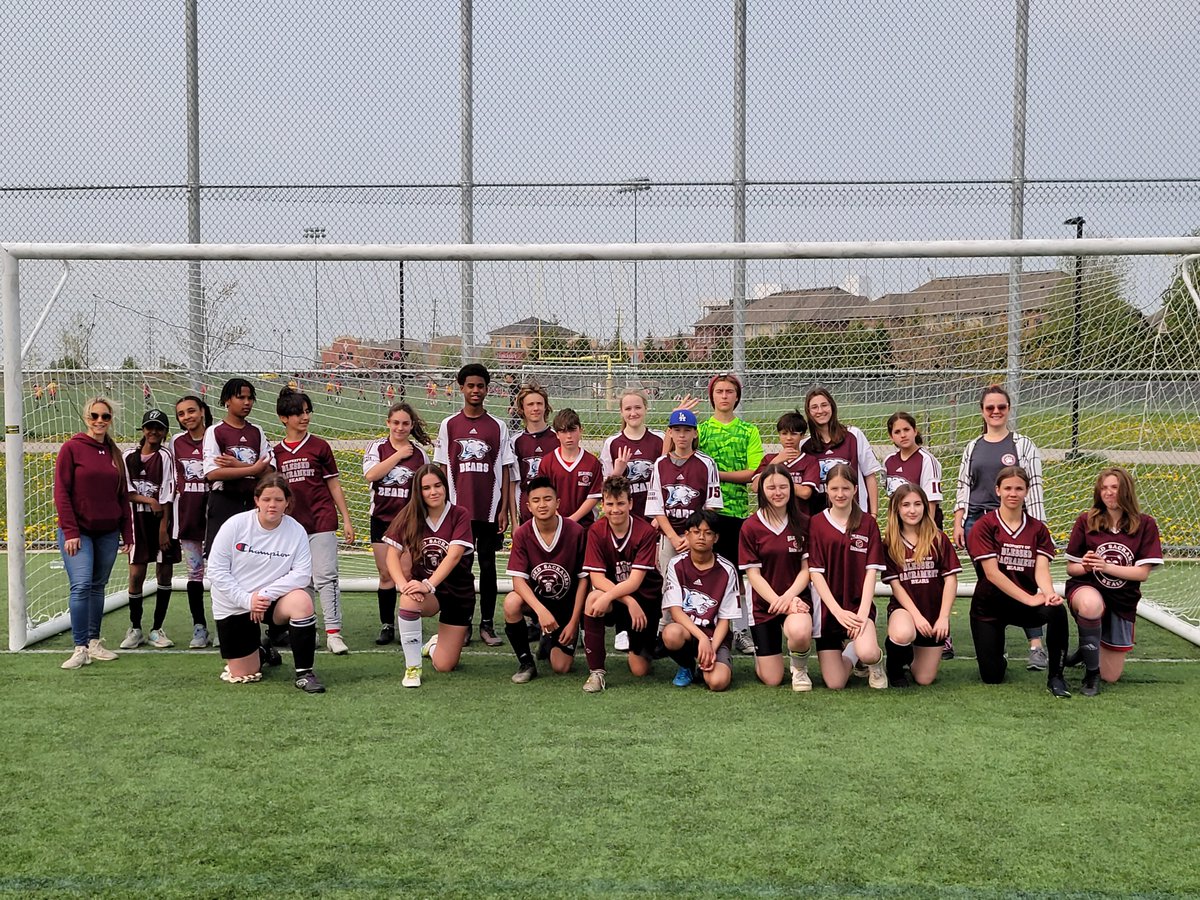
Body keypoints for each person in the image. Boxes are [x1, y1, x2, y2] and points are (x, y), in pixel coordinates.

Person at [952, 385, 1047, 668]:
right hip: (977, 523)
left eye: (1001, 407)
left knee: (1021, 577)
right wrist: (959, 520)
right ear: (982, 411)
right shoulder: (973, 446)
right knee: (990, 581)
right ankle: (995, 642)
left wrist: (1039, 527)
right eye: (990, 407)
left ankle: (1036, 646)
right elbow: (963, 485)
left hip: (1014, 522)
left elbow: (1035, 487)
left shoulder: (1023, 444)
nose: (995, 412)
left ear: (1008, 410)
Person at [208, 474, 325, 692]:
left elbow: (301, 574)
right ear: (257, 501)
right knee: (244, 673)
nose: (272, 505)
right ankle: (262, 651)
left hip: (270, 600)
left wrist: (263, 595)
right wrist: (247, 600)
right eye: (267, 499)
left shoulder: (296, 530)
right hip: (235, 602)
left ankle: (304, 673)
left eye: (279, 500)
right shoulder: (235, 525)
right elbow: (216, 571)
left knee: (302, 601)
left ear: (287, 502)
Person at [966, 466, 1070, 697]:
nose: (1013, 493)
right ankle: (995, 652)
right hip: (989, 606)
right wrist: (1030, 598)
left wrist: (1048, 592)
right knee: (992, 677)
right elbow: (992, 574)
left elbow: (1040, 568)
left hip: (1024, 605)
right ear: (998, 490)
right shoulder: (984, 525)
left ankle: (1056, 676)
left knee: (1056, 610)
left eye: (1019, 488)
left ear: (1027, 492)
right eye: (1008, 488)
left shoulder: (1038, 529)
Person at [434, 363, 515, 646]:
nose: (476, 391)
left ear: (487, 389)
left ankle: (488, 625)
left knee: (489, 565)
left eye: (480, 386)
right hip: (458, 511)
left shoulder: (497, 426)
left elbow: (504, 468)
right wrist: (444, 506)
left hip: (489, 508)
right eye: (470, 386)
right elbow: (443, 467)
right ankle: (463, 624)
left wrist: (503, 507)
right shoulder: (449, 425)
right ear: (461, 388)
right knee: (461, 569)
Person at [1064, 467, 1162, 695]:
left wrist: (1108, 567)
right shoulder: (1086, 521)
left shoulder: (1145, 524)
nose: (1108, 493)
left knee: (1112, 676)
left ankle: (1087, 649)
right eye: (1104, 488)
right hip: (1088, 589)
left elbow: (1142, 574)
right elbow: (1072, 569)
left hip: (1123, 599)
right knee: (1090, 604)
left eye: (1114, 488)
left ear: (1126, 490)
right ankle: (1091, 675)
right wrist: (1087, 566)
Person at [274, 387, 355, 655]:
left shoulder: (320, 446)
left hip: (322, 520)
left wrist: (345, 518)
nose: (305, 417)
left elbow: (333, 484)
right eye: (298, 412)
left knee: (326, 577)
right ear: (284, 417)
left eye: (307, 411)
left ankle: (334, 632)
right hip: (292, 527)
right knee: (301, 580)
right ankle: (308, 630)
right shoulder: (276, 453)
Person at [54, 397, 132, 669]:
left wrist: (128, 534)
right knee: (82, 585)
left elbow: (123, 496)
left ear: (111, 419)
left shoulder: (114, 453)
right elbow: (61, 492)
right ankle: (80, 647)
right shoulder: (72, 448)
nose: (99, 421)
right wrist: (71, 531)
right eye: (94, 416)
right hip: (78, 533)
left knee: (98, 587)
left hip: (108, 532)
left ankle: (95, 642)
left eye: (105, 417)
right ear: (87, 418)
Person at [384, 464, 477, 688]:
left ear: (445, 487)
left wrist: (428, 584)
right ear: (419, 492)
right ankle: (412, 668)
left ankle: (433, 645)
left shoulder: (459, 514)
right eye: (426, 488)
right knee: (407, 599)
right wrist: (403, 585)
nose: (433, 492)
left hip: (458, 594)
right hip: (428, 593)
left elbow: (454, 557)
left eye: (437, 486)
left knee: (445, 665)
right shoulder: (409, 515)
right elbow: (391, 556)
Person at [696, 373, 763, 656]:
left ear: (737, 396)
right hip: (706, 512)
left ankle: (741, 630)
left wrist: (714, 473)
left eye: (729, 391)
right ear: (712, 396)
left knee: (735, 575)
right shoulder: (700, 430)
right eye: (719, 391)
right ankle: (703, 626)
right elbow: (677, 456)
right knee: (703, 572)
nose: (724, 395)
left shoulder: (748, 431)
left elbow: (753, 472)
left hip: (736, 512)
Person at [806, 463, 888, 690]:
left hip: (857, 607)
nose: (840, 494)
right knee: (835, 683)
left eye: (845, 488)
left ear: (855, 489)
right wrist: (837, 612)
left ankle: (874, 663)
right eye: (834, 489)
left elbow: (871, 572)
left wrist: (861, 615)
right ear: (826, 490)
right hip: (830, 611)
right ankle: (852, 652)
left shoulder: (868, 523)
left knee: (869, 652)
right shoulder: (817, 523)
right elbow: (816, 574)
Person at [580, 475, 663, 693]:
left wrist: (627, 601)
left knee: (640, 670)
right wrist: (624, 601)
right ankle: (596, 672)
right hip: (621, 598)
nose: (615, 509)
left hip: (644, 600)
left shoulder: (645, 531)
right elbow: (597, 579)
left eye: (620, 503)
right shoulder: (596, 531)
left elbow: (635, 581)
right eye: (609, 504)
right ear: (603, 504)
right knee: (593, 599)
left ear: (631, 503)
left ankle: (643, 642)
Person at [502, 476, 588, 683]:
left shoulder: (575, 532)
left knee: (561, 667)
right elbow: (518, 581)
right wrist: (540, 611)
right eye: (536, 500)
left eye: (548, 499)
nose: (542, 504)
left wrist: (574, 622)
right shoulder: (523, 534)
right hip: (538, 605)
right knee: (511, 602)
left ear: (557, 503)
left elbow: (584, 580)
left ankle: (549, 639)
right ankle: (526, 662)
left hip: (566, 606)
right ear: (529, 506)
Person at [740, 463, 813, 690]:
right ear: (762, 490)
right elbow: (753, 574)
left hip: (797, 602)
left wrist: (789, 599)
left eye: (783, 486)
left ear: (791, 488)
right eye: (771, 488)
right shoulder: (750, 526)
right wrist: (777, 602)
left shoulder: (804, 522)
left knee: (800, 632)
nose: (778, 492)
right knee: (772, 679)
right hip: (764, 605)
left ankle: (800, 668)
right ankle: (762, 659)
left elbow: (806, 569)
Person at [363, 402, 431, 645]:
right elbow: (371, 475)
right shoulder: (377, 447)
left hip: (409, 523)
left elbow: (426, 487)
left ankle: (409, 622)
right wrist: (398, 455)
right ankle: (387, 624)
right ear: (388, 423)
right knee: (385, 575)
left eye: (405, 423)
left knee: (406, 573)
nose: (400, 428)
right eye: (396, 423)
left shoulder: (420, 454)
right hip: (381, 519)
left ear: (411, 426)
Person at [882, 483, 960, 688]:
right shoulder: (890, 542)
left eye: (917, 504)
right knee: (902, 633)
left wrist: (943, 617)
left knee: (924, 679)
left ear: (925, 507)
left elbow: (951, 580)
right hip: (905, 610)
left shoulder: (938, 539)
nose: (912, 510)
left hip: (934, 613)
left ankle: (908, 654)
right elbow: (896, 586)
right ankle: (895, 666)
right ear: (896, 509)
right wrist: (916, 617)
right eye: (906, 505)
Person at [119, 408, 181, 650]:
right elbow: (126, 491)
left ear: (165, 432)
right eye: (149, 427)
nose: (153, 431)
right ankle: (135, 628)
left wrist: (164, 528)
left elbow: (167, 493)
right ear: (143, 430)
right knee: (136, 575)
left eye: (159, 428)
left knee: (164, 574)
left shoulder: (165, 457)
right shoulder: (127, 457)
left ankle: (157, 628)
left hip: (162, 522)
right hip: (138, 522)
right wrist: (149, 500)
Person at [661, 509, 740, 691]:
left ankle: (715, 661)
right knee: (671, 634)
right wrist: (702, 638)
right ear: (687, 535)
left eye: (708, 533)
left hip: (716, 637)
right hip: (690, 633)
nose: (701, 537)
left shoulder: (727, 569)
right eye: (696, 532)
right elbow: (676, 611)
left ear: (716, 538)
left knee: (717, 683)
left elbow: (724, 620)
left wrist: (711, 646)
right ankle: (687, 665)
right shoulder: (676, 564)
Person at [645, 408, 722, 573]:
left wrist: (694, 535)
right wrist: (673, 537)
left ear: (695, 433)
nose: (682, 435)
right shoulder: (660, 464)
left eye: (687, 430)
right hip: (669, 534)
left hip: (697, 534)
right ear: (670, 433)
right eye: (677, 430)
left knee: (699, 576)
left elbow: (711, 505)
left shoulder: (707, 463)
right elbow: (657, 506)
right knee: (668, 582)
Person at [203, 378, 273, 555]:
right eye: (241, 398)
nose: (247, 402)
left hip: (253, 501)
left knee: (254, 555)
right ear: (227, 400)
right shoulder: (215, 431)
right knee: (221, 555)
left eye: (250, 398)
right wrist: (252, 470)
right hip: (224, 500)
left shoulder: (257, 431)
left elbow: (270, 472)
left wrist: (237, 465)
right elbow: (213, 473)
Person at [171, 395, 214, 648]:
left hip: (216, 515)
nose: (187, 417)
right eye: (181, 414)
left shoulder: (215, 436)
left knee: (221, 574)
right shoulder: (176, 442)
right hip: (188, 515)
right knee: (194, 573)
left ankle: (226, 625)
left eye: (191, 411)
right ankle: (200, 627)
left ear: (202, 411)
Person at [802, 387, 881, 517]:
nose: (820, 411)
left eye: (824, 405)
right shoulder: (804, 446)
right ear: (809, 412)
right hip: (820, 518)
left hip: (855, 515)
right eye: (814, 407)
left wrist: (873, 514)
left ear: (832, 406)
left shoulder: (854, 435)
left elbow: (870, 475)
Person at [600, 388, 665, 522]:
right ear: (621, 411)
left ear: (646, 408)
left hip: (654, 518)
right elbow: (605, 489)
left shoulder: (660, 439)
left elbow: (668, 479)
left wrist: (660, 518)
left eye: (638, 408)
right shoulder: (612, 443)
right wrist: (617, 472)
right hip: (624, 518)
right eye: (628, 409)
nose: (633, 413)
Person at [537, 408, 603, 529]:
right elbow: (544, 494)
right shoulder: (547, 462)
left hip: (585, 527)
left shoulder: (592, 462)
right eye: (563, 431)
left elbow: (594, 496)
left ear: (581, 430)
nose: (569, 436)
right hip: (554, 525)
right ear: (557, 434)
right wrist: (558, 519)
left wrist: (572, 519)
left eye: (572, 430)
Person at [883, 411, 943, 527]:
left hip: (924, 526)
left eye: (906, 429)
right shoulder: (888, 461)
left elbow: (931, 501)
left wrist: (926, 532)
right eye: (897, 432)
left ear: (915, 431)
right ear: (891, 436)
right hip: (900, 526)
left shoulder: (927, 460)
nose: (903, 435)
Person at [507, 381, 554, 528]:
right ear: (522, 408)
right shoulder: (515, 442)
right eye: (530, 404)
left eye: (539, 404)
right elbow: (513, 483)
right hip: (526, 510)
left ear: (545, 406)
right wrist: (514, 521)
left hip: (553, 510)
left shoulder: (557, 439)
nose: (535, 408)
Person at [749, 409, 814, 501]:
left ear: (802, 435)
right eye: (784, 433)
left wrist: (778, 485)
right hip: (772, 514)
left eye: (793, 434)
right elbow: (755, 487)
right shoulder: (769, 459)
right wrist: (774, 463)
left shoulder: (809, 461)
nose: (788, 438)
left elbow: (805, 493)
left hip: (799, 514)